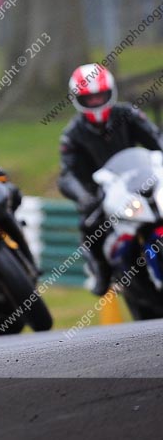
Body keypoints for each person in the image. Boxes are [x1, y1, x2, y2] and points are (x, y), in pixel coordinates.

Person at [57, 64, 163, 296]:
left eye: (99, 96)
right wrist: (83, 195)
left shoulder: (128, 114)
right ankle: (102, 271)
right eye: (89, 98)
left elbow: (156, 139)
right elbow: (67, 174)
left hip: (140, 178)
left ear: (110, 92)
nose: (95, 102)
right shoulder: (72, 134)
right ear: (78, 99)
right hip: (100, 193)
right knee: (89, 225)